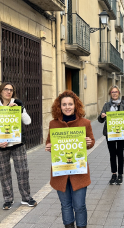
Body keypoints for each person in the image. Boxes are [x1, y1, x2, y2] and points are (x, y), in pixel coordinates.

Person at [45, 90, 95, 228]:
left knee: (79, 206)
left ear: (75, 105)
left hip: (79, 172)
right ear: (59, 107)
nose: (67, 107)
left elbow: (91, 141)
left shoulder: (85, 123)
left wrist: (89, 143)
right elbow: (49, 142)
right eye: (64, 104)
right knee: (66, 206)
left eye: (70, 104)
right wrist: (49, 146)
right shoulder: (53, 124)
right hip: (60, 173)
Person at [0, 82, 37, 210]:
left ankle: (26, 198)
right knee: (4, 173)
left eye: (11, 90)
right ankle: (8, 199)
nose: (8, 92)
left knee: (23, 171)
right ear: (0, 91)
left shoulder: (18, 103)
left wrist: (17, 111)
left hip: (16, 144)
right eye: (6, 89)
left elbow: (28, 121)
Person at [98, 85, 124, 185]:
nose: (114, 93)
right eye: (112, 92)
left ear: (119, 93)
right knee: (112, 153)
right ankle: (114, 173)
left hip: (121, 133)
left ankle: (120, 174)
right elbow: (100, 120)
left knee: (120, 153)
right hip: (110, 133)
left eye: (116, 92)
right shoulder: (107, 105)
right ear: (110, 94)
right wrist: (101, 116)